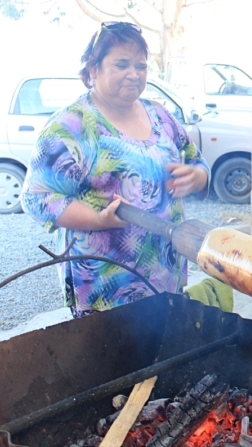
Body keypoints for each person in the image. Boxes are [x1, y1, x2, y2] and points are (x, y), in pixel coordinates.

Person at [21, 22, 210, 318]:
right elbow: (37, 198)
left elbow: (195, 159)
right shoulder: (71, 126)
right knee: (113, 360)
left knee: (164, 347)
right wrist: (97, 219)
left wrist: (198, 176)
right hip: (105, 287)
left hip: (165, 272)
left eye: (141, 66)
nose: (134, 74)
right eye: (122, 64)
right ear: (93, 69)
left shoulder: (160, 116)